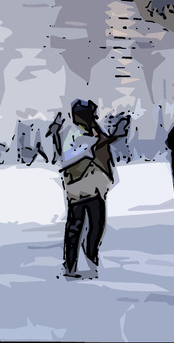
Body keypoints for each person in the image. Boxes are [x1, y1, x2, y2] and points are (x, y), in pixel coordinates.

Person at [57, 99, 129, 279]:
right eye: (87, 114)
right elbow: (69, 156)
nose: (91, 117)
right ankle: (70, 266)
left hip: (97, 188)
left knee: (97, 225)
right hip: (78, 189)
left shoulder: (95, 129)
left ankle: (91, 254)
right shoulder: (72, 132)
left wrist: (111, 137)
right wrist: (95, 143)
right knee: (75, 228)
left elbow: (102, 145)